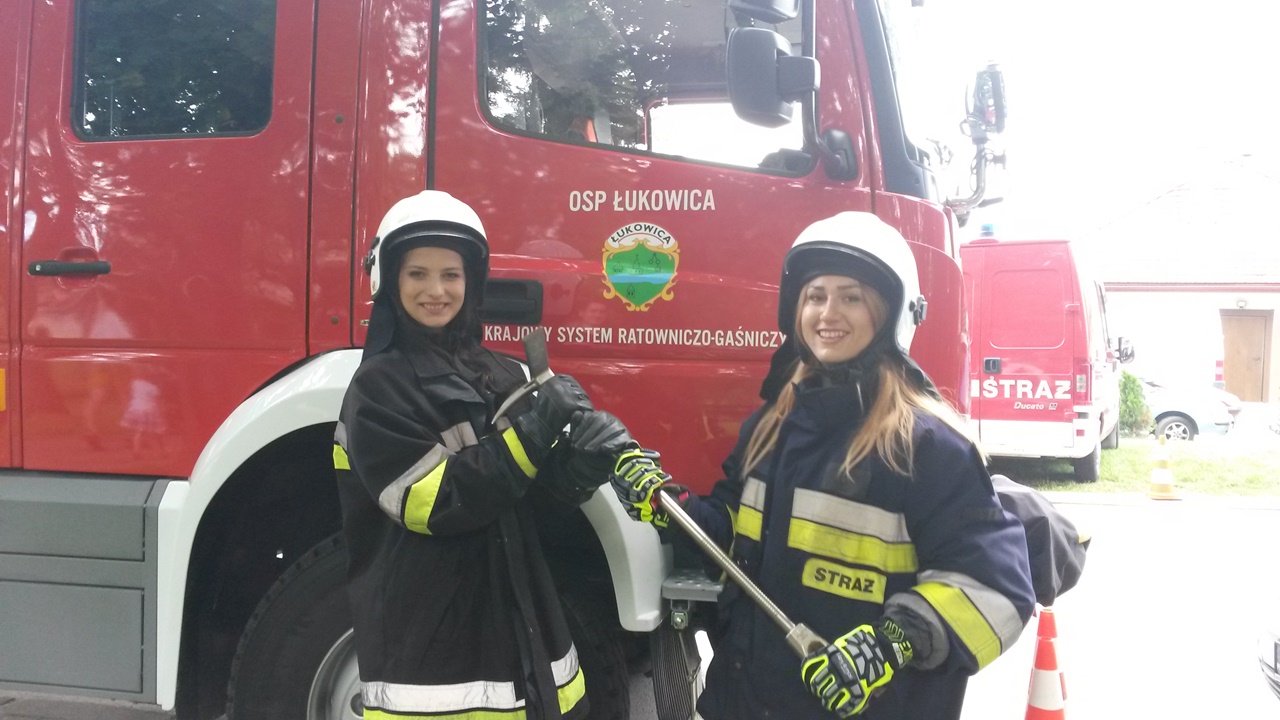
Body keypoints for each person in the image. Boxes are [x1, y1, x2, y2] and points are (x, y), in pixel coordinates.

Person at [610, 212, 1037, 719]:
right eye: (815, 296)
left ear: (890, 314)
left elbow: (995, 591)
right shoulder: (772, 428)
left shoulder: (926, 448)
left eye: (851, 297)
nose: (827, 313)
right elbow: (731, 545)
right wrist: (670, 505)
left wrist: (889, 644)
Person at [334, 190, 633, 720]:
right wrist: (534, 433)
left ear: (471, 282)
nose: (436, 290)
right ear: (388, 282)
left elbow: (527, 503)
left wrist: (576, 469)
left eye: (450, 274)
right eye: (417, 274)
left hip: (522, 629)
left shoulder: (501, 373)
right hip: (434, 652)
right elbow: (432, 501)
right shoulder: (377, 389)